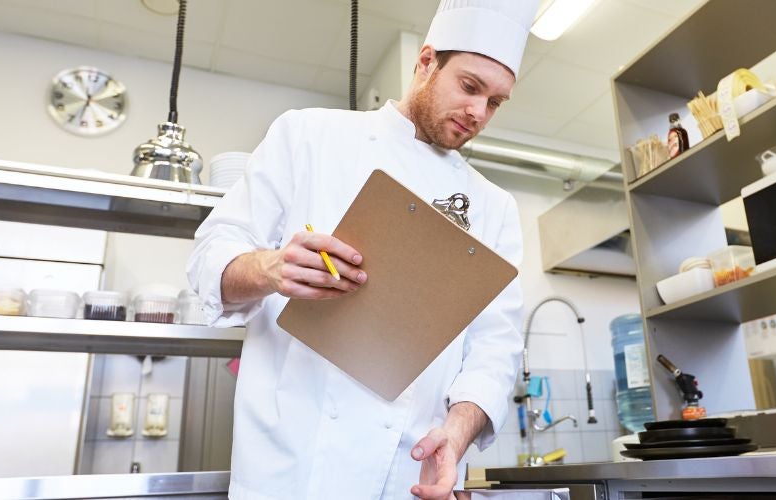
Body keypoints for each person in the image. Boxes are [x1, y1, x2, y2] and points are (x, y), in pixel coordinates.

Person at [186, 1, 539, 498]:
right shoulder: (308, 135)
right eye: (469, 87)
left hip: (407, 472)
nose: (478, 113)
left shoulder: (494, 207)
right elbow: (210, 257)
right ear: (425, 62)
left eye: (496, 102)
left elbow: (495, 346)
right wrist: (271, 269)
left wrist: (456, 435)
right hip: (289, 465)